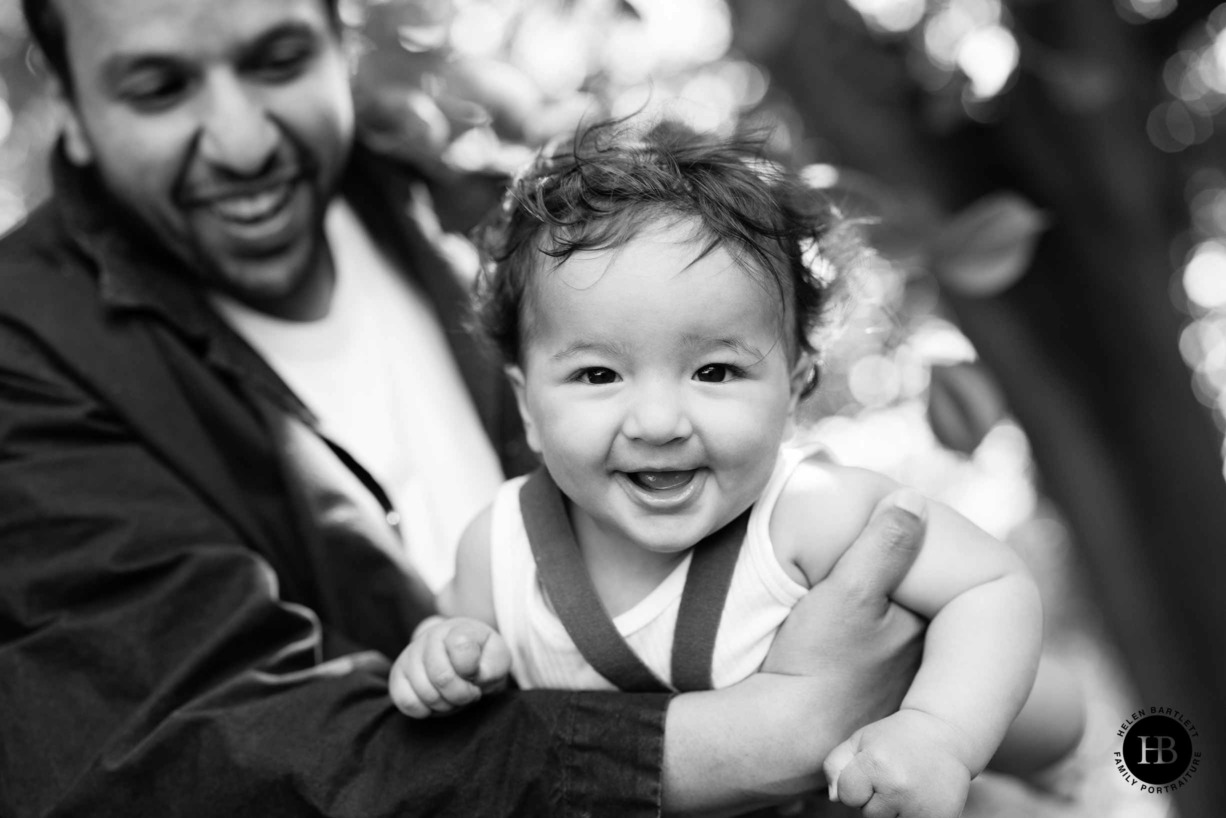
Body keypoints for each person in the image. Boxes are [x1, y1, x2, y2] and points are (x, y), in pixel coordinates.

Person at [0, 0, 933, 815]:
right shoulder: (27, 348)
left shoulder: (487, 218)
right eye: (159, 89)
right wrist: (751, 742)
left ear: (338, 41)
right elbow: (176, 738)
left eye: (278, 61)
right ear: (73, 114)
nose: (243, 142)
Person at [390, 121, 1087, 818]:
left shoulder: (810, 515)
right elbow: (464, 642)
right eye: (599, 373)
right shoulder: (501, 551)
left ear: (795, 386)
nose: (659, 422)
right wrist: (443, 654)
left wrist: (939, 733)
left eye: (715, 370)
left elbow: (989, 586)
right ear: (527, 404)